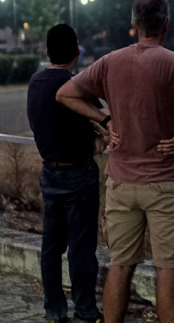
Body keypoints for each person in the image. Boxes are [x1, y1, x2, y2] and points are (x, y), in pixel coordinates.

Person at [56, 0, 174, 323]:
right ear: (167, 24)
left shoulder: (110, 62)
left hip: (121, 182)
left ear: (133, 26)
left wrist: (105, 120)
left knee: (119, 266)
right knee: (168, 271)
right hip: (166, 183)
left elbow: (65, 94)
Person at [27, 24, 107, 323]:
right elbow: (103, 125)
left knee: (51, 247)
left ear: (47, 51)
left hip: (49, 172)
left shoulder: (35, 82)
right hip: (79, 175)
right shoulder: (77, 85)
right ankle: (85, 309)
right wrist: (98, 144)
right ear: (77, 51)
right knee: (81, 248)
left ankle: (54, 309)